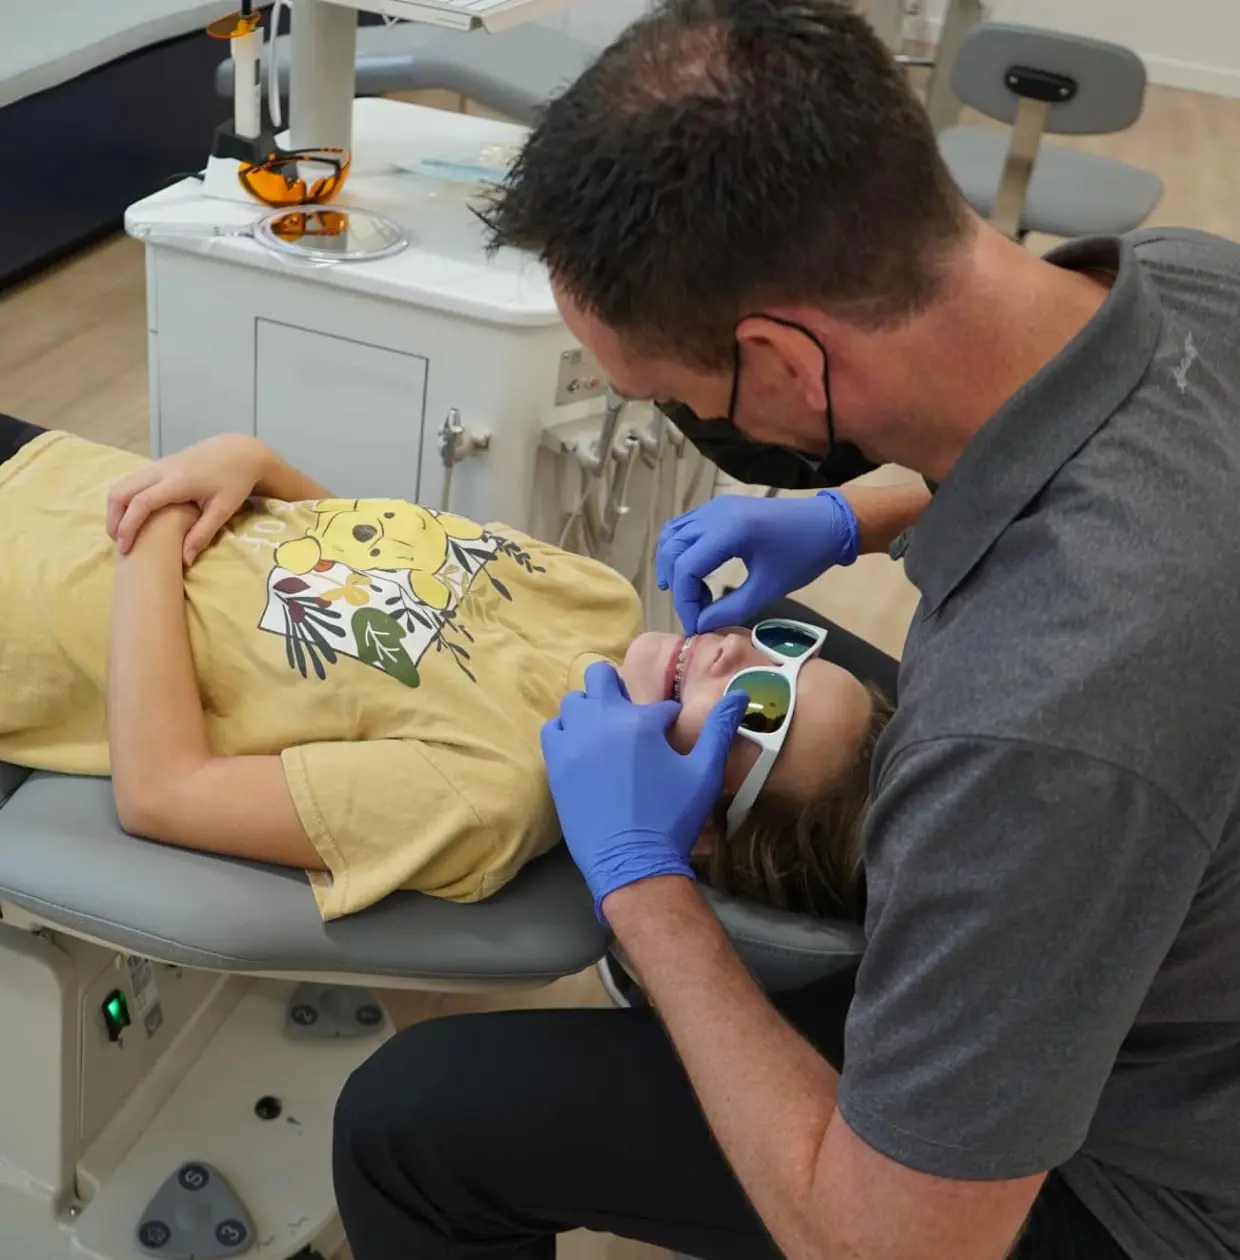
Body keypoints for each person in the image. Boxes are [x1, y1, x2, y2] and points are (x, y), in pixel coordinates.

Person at [332, 2, 1240, 1259]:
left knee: (411, 1121)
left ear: (781, 362)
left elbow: (890, 1246)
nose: (723, 655)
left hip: (1161, 1185)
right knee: (822, 695)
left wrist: (648, 892)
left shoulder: (1037, 730)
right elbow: (1106, 462)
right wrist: (846, 512)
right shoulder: (1193, 283)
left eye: (672, 397)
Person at [0, 413, 886, 921]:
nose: (739, 647)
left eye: (761, 705)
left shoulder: (485, 796)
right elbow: (374, 556)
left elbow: (163, 790)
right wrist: (257, 466)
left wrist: (154, 535)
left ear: (701, 826)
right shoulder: (598, 601)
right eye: (784, 648)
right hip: (61, 476)